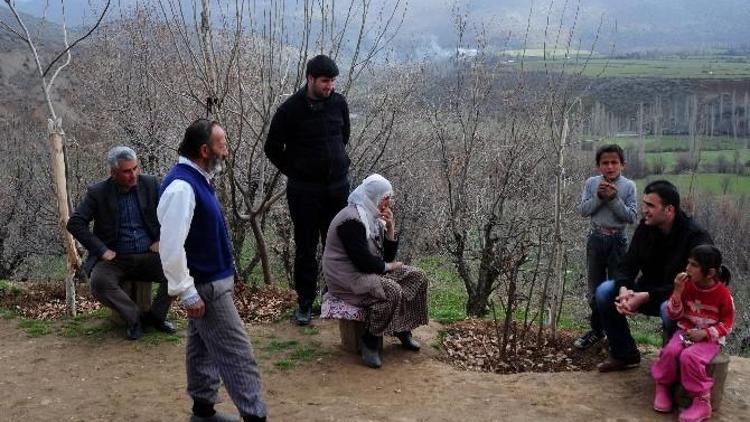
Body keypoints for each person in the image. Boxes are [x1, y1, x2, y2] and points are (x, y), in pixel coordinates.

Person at [158, 119, 266, 422]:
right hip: (206, 287)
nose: (227, 152)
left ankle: (203, 413)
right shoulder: (182, 187)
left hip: (209, 283)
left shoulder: (197, 179)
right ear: (204, 150)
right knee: (238, 355)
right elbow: (170, 246)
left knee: (201, 350)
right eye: (223, 145)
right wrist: (187, 290)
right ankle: (255, 417)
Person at [265, 54, 351, 326]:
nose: (330, 87)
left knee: (337, 245)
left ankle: (335, 298)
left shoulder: (339, 103)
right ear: (310, 79)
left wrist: (334, 163)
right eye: (325, 81)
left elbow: (344, 136)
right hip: (304, 192)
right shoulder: (289, 110)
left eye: (333, 81)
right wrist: (298, 171)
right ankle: (304, 303)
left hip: (337, 187)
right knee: (305, 246)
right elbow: (272, 148)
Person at [595, 180, 714, 372]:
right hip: (646, 292)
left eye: (650, 205)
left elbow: (693, 285)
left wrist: (646, 296)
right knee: (604, 291)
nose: (644, 210)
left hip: (679, 298)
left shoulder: (696, 237)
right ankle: (625, 354)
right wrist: (625, 289)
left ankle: (673, 367)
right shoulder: (646, 227)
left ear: (669, 209)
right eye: (643, 204)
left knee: (669, 309)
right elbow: (627, 264)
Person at [67, 146, 174, 340]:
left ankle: (156, 317)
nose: (133, 175)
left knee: (180, 269)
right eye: (126, 171)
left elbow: (171, 214)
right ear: (113, 173)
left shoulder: (150, 184)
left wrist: (161, 239)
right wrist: (101, 249)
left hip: (149, 255)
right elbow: (75, 223)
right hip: (116, 258)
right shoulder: (98, 192)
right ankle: (134, 318)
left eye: (135, 169)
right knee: (99, 283)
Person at [322, 174, 429, 369]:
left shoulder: (372, 217)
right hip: (347, 279)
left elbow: (386, 257)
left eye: (389, 198)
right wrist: (388, 268)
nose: (387, 203)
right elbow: (364, 263)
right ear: (373, 196)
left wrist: (390, 228)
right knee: (391, 291)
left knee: (417, 277)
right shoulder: (351, 220)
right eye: (385, 198)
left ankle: (402, 327)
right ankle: (370, 340)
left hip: (369, 271)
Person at [651, 245, 735, 422]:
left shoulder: (723, 295)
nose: (687, 269)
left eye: (694, 265)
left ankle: (702, 401)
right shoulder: (687, 286)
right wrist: (677, 291)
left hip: (709, 339)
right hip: (686, 330)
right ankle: (663, 386)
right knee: (670, 351)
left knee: (689, 357)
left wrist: (705, 333)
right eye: (688, 263)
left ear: (710, 273)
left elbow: (727, 324)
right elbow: (674, 314)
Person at [574, 144, 638, 350]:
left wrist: (614, 199)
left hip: (618, 241)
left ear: (622, 165)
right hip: (596, 239)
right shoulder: (592, 183)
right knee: (594, 289)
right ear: (598, 166)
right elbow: (584, 210)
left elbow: (631, 217)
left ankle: (615, 336)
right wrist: (600, 197)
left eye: (614, 163)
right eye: (605, 163)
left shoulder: (629, 186)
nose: (610, 167)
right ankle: (597, 330)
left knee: (616, 290)